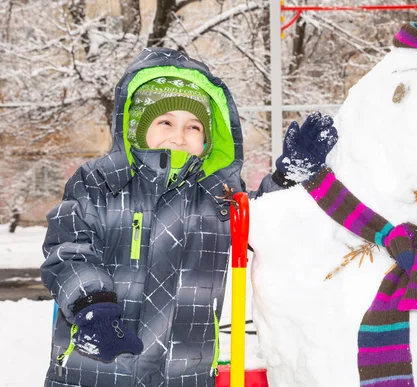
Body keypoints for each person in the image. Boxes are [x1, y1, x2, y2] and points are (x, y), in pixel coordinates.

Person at [40, 47, 338, 387]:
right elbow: (69, 248)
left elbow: (262, 222)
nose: (179, 135)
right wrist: (92, 305)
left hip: (184, 373)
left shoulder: (217, 194)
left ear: (209, 139)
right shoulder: (100, 181)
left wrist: (289, 180)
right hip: (97, 365)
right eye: (165, 121)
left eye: (194, 126)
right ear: (136, 126)